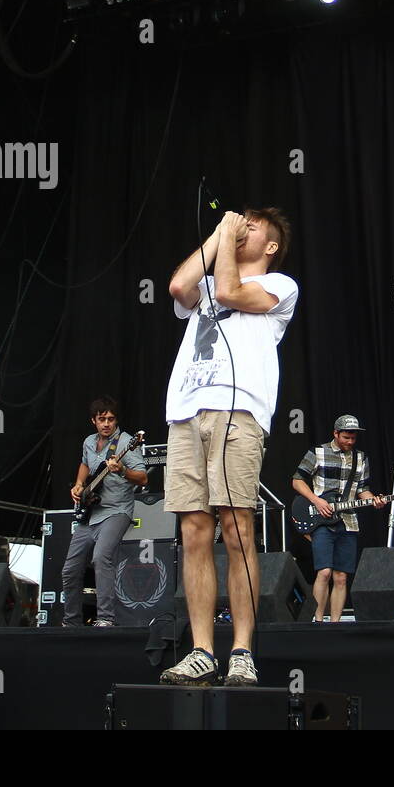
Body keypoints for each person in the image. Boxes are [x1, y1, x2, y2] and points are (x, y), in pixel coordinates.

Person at [160, 207, 297, 687]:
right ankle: (201, 649)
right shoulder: (208, 277)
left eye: (251, 228)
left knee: (236, 527)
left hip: (237, 411)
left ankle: (241, 649)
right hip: (185, 411)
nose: (242, 231)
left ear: (272, 245)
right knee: (194, 532)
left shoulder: (280, 285)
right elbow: (179, 287)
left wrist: (225, 241)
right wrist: (220, 234)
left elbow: (228, 291)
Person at [292, 415, 388, 623]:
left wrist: (374, 501)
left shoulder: (360, 458)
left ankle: (335, 625)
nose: (350, 442)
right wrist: (316, 501)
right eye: (346, 437)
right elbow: (297, 480)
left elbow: (362, 490)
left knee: (341, 576)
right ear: (335, 433)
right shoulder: (318, 452)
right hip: (322, 518)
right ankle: (317, 621)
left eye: (353, 438)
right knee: (324, 571)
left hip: (348, 520)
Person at [63, 397, 148, 627]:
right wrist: (79, 484)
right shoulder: (89, 442)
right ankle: (70, 623)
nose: (107, 424)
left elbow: (142, 477)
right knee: (70, 569)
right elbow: (84, 463)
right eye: (102, 419)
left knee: (102, 557)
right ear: (94, 421)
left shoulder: (127, 442)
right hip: (91, 512)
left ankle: (105, 619)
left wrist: (121, 470)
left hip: (117, 510)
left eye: (110, 419)